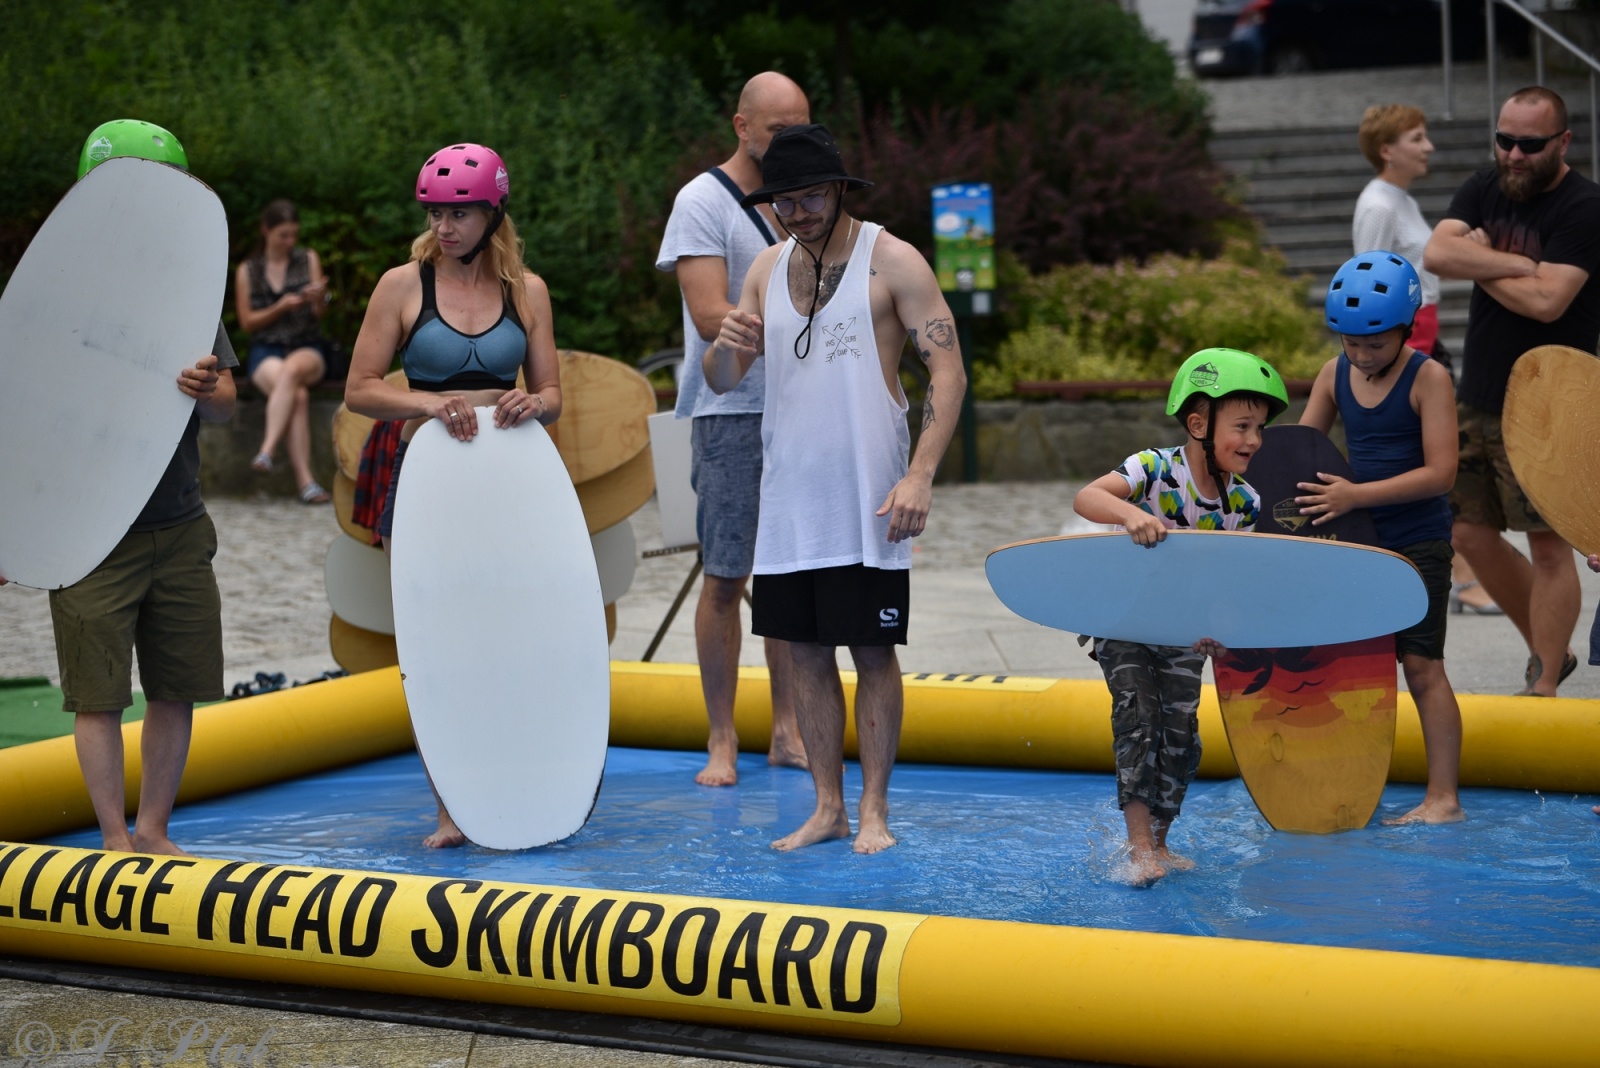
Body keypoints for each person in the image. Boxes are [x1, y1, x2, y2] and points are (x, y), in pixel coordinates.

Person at [705, 124, 967, 854]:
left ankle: (875, 809)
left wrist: (919, 474)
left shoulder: (892, 262)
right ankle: (828, 807)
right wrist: (725, 352)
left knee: (871, 650)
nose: (800, 212)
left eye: (812, 196)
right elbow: (724, 382)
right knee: (804, 654)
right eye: (784, 202)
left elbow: (948, 372)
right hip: (791, 501)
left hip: (869, 496)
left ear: (842, 189)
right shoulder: (763, 269)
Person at [21, 119, 238, 856]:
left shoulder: (189, 288)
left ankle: (154, 830)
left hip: (177, 522)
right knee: (99, 696)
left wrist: (206, 385)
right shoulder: (49, 290)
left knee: (176, 686)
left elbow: (229, 403)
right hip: (85, 532)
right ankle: (115, 838)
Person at [344, 143, 561, 848]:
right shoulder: (401, 286)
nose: (445, 227)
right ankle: (450, 805)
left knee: (509, 632)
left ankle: (518, 786)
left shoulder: (528, 291)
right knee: (439, 640)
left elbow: (553, 393)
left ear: (493, 212)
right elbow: (360, 390)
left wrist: (534, 403)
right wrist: (429, 406)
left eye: (459, 212)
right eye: (436, 213)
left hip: (505, 480)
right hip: (424, 474)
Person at [1073, 348, 1286, 884]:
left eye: (1259, 427)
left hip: (1182, 632)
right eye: (1242, 426)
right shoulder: (1153, 469)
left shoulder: (1245, 503)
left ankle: (1162, 843)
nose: (1255, 440)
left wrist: (1223, 627)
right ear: (1198, 423)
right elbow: (1087, 497)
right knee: (1139, 717)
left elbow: (1229, 581)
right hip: (1124, 621)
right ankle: (1139, 845)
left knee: (1181, 735)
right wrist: (1128, 514)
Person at [656, 71, 810, 786]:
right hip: (732, 412)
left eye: (800, 126)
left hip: (802, 409)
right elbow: (708, 312)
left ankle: (785, 728)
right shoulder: (701, 200)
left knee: (788, 576)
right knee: (725, 575)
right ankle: (722, 737)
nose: (789, 141)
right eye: (776, 129)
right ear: (741, 126)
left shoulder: (807, 196)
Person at [1423, 86, 1600, 696]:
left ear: (1563, 142)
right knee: (1467, 533)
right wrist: (1517, 265)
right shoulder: (1484, 184)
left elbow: (1550, 304)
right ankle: (1549, 651)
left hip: (1554, 405)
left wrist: (1484, 257)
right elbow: (1437, 252)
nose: (1515, 155)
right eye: (1505, 140)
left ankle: (1544, 683)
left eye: (1530, 144)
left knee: (1551, 548)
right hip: (1481, 395)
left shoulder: (1584, 208)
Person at [1301, 252, 1464, 824]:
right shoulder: (1334, 374)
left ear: (1407, 328)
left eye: (1375, 343)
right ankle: (1340, 782)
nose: (1362, 355)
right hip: (1357, 543)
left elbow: (1441, 474)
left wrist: (1355, 494)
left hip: (1417, 541)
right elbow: (1301, 451)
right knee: (1347, 667)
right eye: (1351, 343)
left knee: (1421, 666)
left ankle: (1443, 798)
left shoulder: (1430, 378)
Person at [1353, 104, 1501, 618]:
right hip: (1407, 345)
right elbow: (1365, 284)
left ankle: (1457, 573)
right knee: (1428, 458)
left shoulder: (1399, 199)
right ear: (1387, 149)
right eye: (1417, 137)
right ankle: (1460, 575)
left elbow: (1422, 274)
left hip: (1423, 339)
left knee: (1435, 455)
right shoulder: (1378, 205)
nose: (1429, 146)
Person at [235, 199, 331, 504]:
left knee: (292, 371)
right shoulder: (248, 270)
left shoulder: (308, 258)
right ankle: (306, 483)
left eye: (294, 234)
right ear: (266, 231)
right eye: (283, 235)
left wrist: (319, 299)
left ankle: (267, 449)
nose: (290, 241)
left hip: (306, 348)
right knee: (298, 396)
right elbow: (247, 322)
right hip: (266, 350)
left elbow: (319, 314)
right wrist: (280, 306)